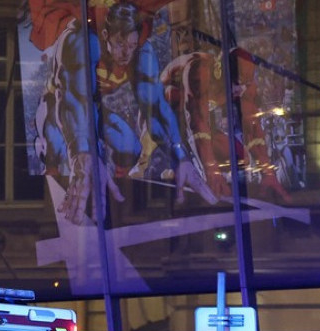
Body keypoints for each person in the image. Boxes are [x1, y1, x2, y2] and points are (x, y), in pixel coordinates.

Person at [35, 1, 219, 225]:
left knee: (130, 149)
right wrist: (82, 152)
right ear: (106, 35)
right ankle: (60, 197)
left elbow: (156, 108)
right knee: (55, 147)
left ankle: (114, 197)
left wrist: (180, 156)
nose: (125, 53)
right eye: (120, 44)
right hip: (56, 107)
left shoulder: (141, 52)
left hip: (96, 109)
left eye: (131, 45)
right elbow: (73, 100)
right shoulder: (81, 41)